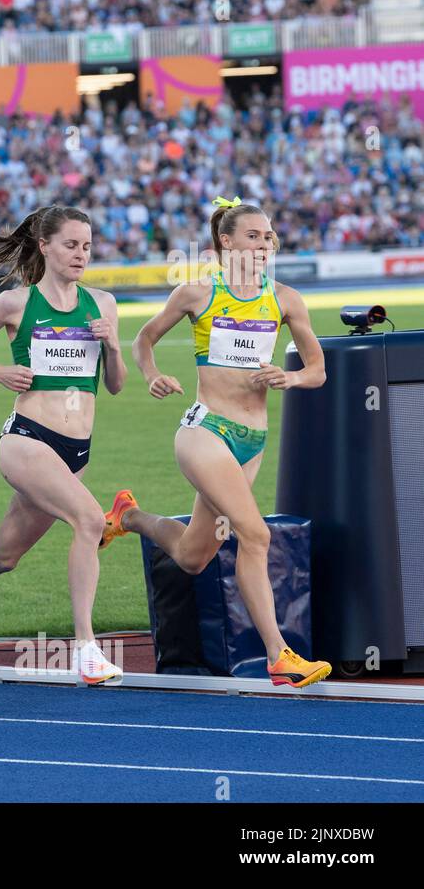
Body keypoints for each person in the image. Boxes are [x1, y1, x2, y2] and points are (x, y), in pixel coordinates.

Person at [104, 196, 331, 688]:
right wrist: (154, 374)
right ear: (226, 242)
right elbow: (143, 338)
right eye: (254, 235)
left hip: (252, 441)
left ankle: (128, 516)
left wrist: (291, 379)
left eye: (268, 236)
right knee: (257, 535)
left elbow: (317, 370)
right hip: (206, 432)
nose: (264, 243)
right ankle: (279, 656)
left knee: (192, 556)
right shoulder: (196, 294)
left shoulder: (285, 299)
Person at [0, 206, 128, 684]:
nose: (81, 254)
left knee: (5, 557)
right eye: (71, 244)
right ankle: (86, 648)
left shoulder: (104, 304)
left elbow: (115, 385)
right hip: (27, 440)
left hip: (75, 450)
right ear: (45, 246)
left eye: (87, 245)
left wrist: (114, 346)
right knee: (91, 519)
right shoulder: (15, 304)